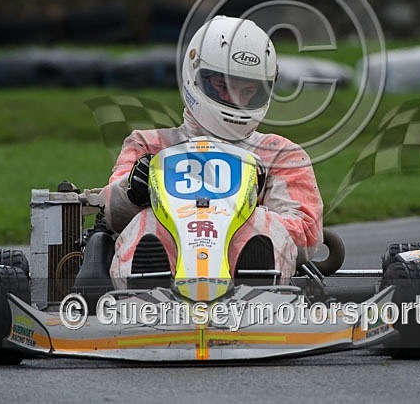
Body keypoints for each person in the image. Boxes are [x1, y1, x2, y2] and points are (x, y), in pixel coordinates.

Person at [103, 15, 323, 289]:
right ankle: (145, 298)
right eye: (224, 86)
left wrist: (237, 214)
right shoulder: (149, 145)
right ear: (195, 76)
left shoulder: (280, 154)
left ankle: (256, 291)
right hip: (161, 295)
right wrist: (132, 190)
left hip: (250, 299)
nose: (236, 100)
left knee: (262, 228)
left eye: (249, 91)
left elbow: (307, 234)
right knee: (147, 224)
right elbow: (111, 215)